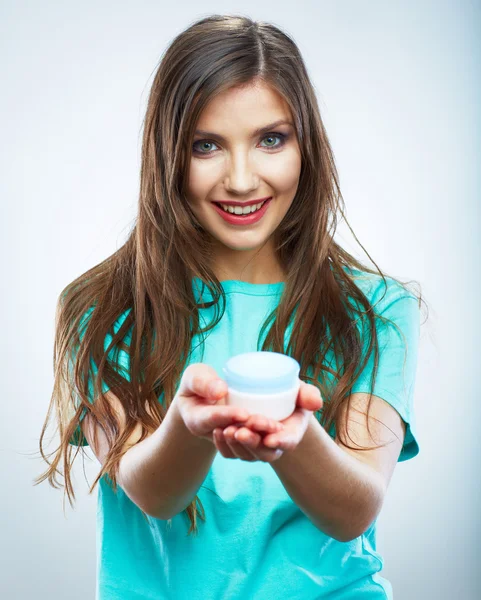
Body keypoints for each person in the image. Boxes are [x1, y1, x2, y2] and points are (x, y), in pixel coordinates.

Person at [35, 13, 427, 600]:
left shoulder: (376, 309)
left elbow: (354, 510)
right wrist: (189, 426)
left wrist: (297, 438)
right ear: (167, 153)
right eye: (206, 145)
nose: (242, 179)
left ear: (306, 146)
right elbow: (152, 492)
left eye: (271, 139)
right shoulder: (100, 308)